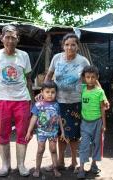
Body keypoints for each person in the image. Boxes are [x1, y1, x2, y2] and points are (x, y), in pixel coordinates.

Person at [0, 25, 33, 177]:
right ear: (1, 38)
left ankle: (21, 165)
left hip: (22, 100)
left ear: (18, 39)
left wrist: (31, 102)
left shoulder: (24, 55)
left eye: (13, 37)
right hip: (2, 101)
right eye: (7, 37)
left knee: (22, 133)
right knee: (2, 134)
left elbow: (29, 80)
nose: (10, 40)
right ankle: (5, 165)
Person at [42, 33, 90, 172]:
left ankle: (74, 162)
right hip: (58, 102)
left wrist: (101, 96)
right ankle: (60, 161)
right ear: (63, 46)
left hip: (75, 102)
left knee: (74, 134)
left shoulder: (83, 61)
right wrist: (43, 92)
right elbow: (49, 76)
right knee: (59, 133)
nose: (70, 47)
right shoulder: (57, 58)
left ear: (78, 46)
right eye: (67, 44)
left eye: (73, 44)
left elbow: (90, 78)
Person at [25, 81, 66, 178]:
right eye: (47, 92)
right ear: (42, 92)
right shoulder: (38, 105)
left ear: (56, 93)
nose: (50, 94)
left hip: (53, 132)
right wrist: (29, 131)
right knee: (40, 150)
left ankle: (55, 168)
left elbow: (59, 118)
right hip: (41, 133)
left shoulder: (56, 105)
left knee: (53, 150)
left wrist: (62, 132)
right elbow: (33, 118)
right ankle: (37, 169)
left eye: (53, 92)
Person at [77, 65, 110, 179]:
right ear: (84, 78)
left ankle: (94, 165)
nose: (90, 79)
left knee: (97, 145)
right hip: (85, 123)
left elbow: (102, 109)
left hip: (97, 123)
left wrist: (104, 125)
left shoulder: (100, 92)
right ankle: (81, 168)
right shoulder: (82, 88)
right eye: (87, 77)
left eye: (93, 77)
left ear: (97, 78)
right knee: (84, 146)